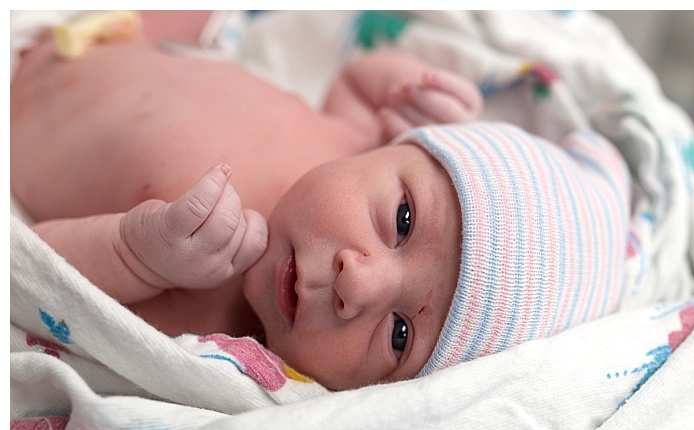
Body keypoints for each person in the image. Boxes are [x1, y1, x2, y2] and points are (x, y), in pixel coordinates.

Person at [11, 11, 632, 391]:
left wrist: (132, 256)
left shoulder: (215, 323)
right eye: (405, 221)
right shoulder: (356, 136)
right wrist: (403, 87)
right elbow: (359, 82)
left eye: (398, 337)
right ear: (403, 146)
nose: (356, 284)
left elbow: (38, 276)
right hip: (96, 30)